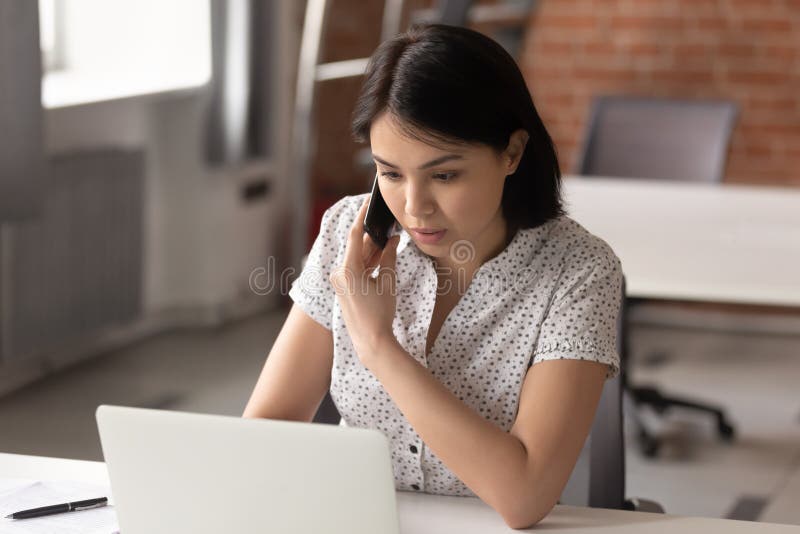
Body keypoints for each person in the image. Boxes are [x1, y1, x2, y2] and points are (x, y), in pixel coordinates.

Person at [244, 23, 622, 529]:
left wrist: (379, 345)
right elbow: (265, 433)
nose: (414, 207)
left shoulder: (579, 272)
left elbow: (525, 496)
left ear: (511, 152)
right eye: (391, 173)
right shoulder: (345, 233)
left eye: (444, 175)